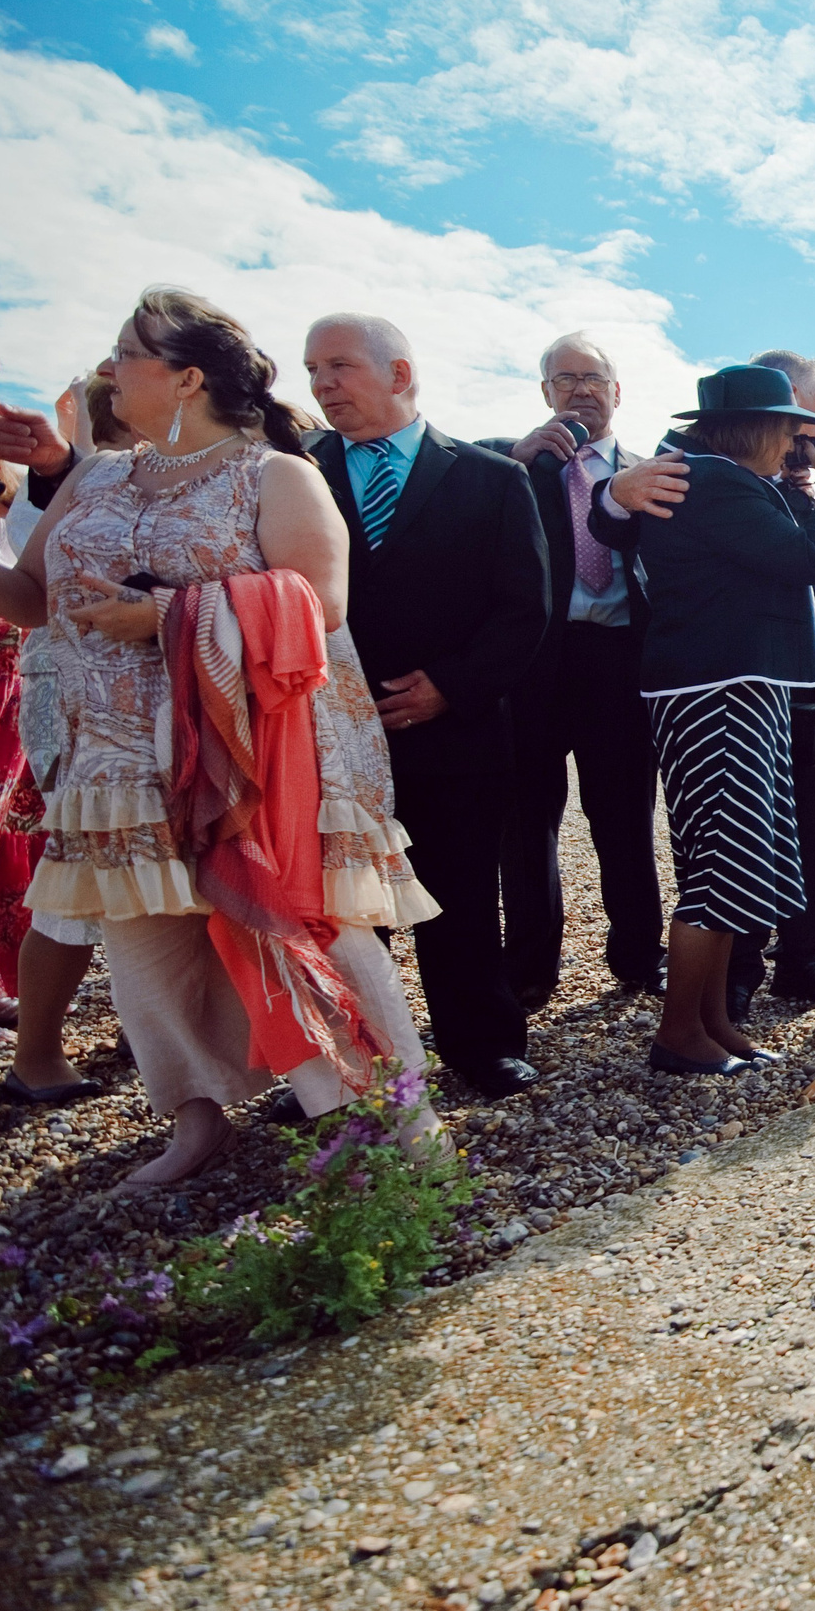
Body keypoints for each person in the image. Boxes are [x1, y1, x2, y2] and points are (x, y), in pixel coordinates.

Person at [0, 289, 441, 1184]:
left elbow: (319, 605)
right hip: (112, 748)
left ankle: (385, 1124)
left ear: (186, 377)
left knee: (288, 926)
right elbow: (33, 601)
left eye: (128, 354)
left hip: (245, 745)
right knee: (144, 936)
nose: (111, 369)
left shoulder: (275, 474)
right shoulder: (98, 475)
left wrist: (161, 614)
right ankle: (193, 1121)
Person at [303, 313, 552, 1100]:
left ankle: (482, 1045)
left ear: (400, 374)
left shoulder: (492, 478)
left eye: (338, 366)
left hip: (457, 728)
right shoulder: (294, 474)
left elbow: (526, 608)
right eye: (313, 370)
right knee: (340, 901)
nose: (320, 385)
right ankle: (353, 1058)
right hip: (328, 731)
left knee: (462, 892)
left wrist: (451, 685)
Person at [599, 350, 815, 1017]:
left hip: (772, 687)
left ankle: (725, 1016)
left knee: (765, 850)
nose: (811, 435)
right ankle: (698, 1022)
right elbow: (808, 562)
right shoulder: (708, 478)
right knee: (724, 865)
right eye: (802, 421)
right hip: (718, 689)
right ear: (761, 423)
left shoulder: (751, 480)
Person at [480, 334, 666, 1009]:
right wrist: (515, 457)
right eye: (566, 379)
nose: (581, 389)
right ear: (545, 393)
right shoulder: (511, 466)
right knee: (527, 824)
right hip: (536, 662)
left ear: (618, 393)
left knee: (623, 816)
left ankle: (641, 955)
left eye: (595, 378)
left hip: (618, 659)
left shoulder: (652, 471)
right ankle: (530, 967)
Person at [0, 370, 124, 1100]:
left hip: (161, 699)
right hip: (72, 698)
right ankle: (36, 1055)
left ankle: (157, 1031)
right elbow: (29, 596)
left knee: (158, 877)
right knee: (74, 871)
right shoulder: (72, 486)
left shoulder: (214, 474)